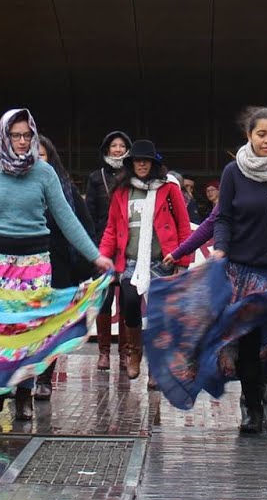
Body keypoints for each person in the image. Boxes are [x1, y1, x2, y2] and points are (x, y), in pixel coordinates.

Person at [145, 107, 267, 434]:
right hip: (244, 270)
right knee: (249, 341)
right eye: (262, 134)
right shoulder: (233, 172)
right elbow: (223, 219)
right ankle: (252, 407)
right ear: (250, 135)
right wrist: (220, 249)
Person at [0, 109, 113, 422]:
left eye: (26, 135)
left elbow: (66, 218)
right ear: (4, 136)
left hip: (34, 262)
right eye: (15, 135)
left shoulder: (44, 173)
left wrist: (95, 255)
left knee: (28, 329)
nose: (22, 142)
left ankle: (24, 395)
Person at [99, 139, 193, 383]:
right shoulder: (121, 190)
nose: (141, 164)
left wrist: (183, 260)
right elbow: (111, 228)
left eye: (146, 160)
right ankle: (135, 352)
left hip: (163, 261)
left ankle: (156, 367)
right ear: (130, 164)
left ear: (153, 163)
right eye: (137, 160)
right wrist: (103, 258)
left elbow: (183, 226)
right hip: (130, 261)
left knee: (158, 315)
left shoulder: (169, 188)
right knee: (129, 303)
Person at [35, 133, 90, 397]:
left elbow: (82, 226)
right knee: (24, 325)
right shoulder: (15, 185)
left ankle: (44, 378)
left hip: (58, 266)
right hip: (25, 267)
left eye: (41, 155)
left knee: (51, 326)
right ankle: (19, 381)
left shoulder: (65, 189)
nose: (36, 159)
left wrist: (88, 263)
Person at [86, 130, 132, 371]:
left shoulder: (133, 175)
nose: (117, 149)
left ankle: (124, 354)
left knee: (127, 299)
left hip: (127, 245)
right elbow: (89, 213)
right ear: (106, 150)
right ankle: (103, 353)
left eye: (121, 145)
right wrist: (92, 247)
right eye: (113, 145)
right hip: (103, 246)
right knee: (104, 299)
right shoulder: (96, 177)